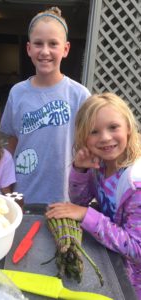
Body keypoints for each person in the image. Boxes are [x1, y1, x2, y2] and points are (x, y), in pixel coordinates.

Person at [46, 93, 141, 299]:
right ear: (83, 137)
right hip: (111, 263)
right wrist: (80, 170)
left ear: (128, 127)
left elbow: (137, 249)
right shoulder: (102, 165)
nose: (105, 137)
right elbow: (79, 202)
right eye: (94, 132)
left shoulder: (136, 184)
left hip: (132, 284)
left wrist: (86, 214)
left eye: (113, 127)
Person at [0, 7, 90, 204]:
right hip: (23, 195)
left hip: (65, 197)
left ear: (65, 49)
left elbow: (88, 146)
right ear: (29, 48)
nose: (45, 51)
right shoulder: (17, 92)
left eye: (53, 44)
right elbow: (12, 142)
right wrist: (4, 184)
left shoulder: (80, 95)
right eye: (38, 43)